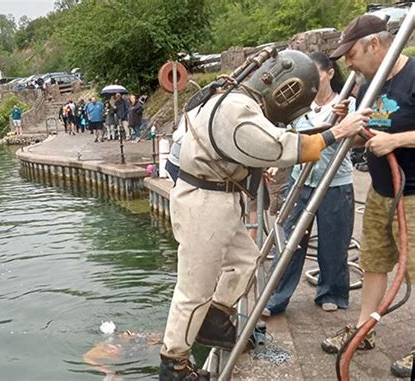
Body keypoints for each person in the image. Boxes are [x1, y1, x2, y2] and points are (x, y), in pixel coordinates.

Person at [159, 49, 372, 380]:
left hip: (217, 197)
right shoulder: (236, 108)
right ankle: (174, 364)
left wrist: (254, 165)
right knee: (193, 289)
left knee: (246, 261)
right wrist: (336, 132)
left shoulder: (231, 97)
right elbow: (282, 146)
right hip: (204, 202)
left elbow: (250, 146)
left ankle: (215, 319)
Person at [320, 15, 415, 378]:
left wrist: (397, 140)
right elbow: (365, 139)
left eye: (352, 54)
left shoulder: (413, 75)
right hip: (380, 191)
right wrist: (347, 127)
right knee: (374, 263)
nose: (348, 63)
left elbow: (388, 138)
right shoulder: (366, 86)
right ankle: (364, 330)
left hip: (413, 195)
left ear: (375, 45)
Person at [264, 52, 356, 316]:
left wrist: (344, 122)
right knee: (292, 238)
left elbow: (358, 139)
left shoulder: (345, 102)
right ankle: (276, 298)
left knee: (334, 242)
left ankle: (332, 293)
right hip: (300, 179)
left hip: (335, 181)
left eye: (315, 73)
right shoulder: (298, 104)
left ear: (329, 73)